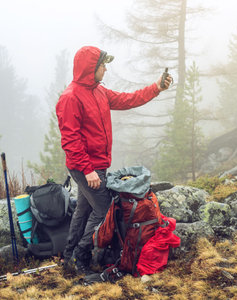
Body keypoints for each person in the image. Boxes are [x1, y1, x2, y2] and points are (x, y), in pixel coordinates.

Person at [55, 45, 172, 275]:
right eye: (103, 65)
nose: (106, 69)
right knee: (104, 209)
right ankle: (81, 256)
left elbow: (128, 99)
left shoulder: (99, 91)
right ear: (92, 68)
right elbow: (71, 141)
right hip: (84, 167)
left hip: (96, 165)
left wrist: (156, 87)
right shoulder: (70, 98)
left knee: (83, 209)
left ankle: (69, 257)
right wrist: (88, 170)